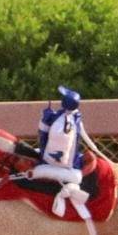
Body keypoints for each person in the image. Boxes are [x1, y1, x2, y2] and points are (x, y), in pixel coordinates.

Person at [32, 86, 97, 218]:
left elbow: (42, 134)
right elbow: (81, 138)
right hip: (69, 164)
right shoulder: (75, 120)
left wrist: (45, 118)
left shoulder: (55, 117)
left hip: (47, 159)